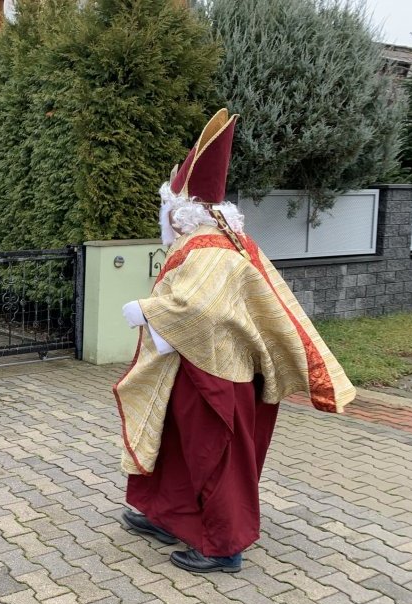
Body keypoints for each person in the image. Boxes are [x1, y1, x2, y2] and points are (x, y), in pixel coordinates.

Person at [114, 109, 356, 573]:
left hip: (216, 374)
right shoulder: (223, 239)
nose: (161, 217)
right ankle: (171, 517)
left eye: (164, 207)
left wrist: (146, 311)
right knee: (179, 447)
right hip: (197, 365)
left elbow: (200, 308)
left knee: (214, 456)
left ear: (179, 211)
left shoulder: (209, 246)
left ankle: (222, 546)